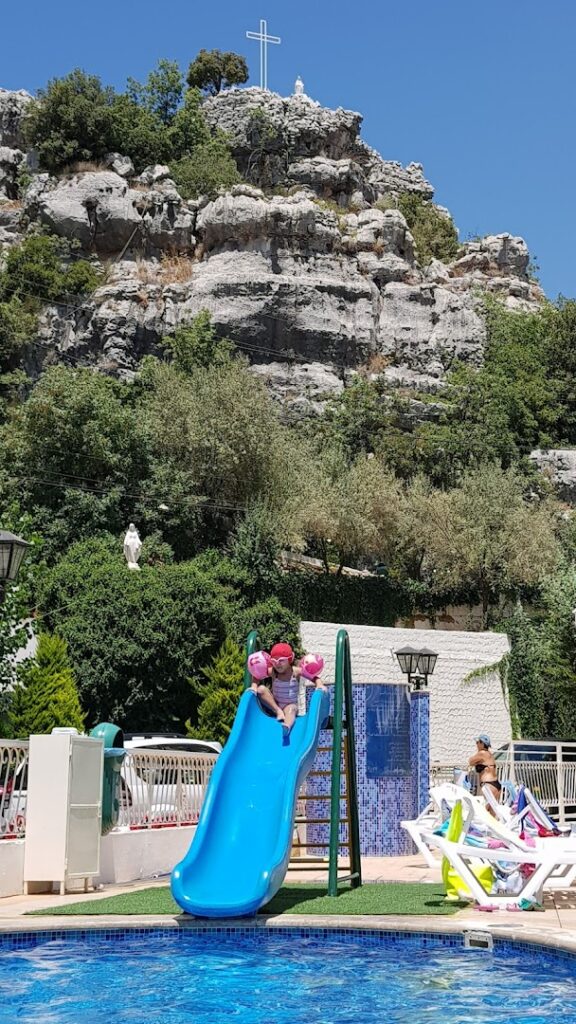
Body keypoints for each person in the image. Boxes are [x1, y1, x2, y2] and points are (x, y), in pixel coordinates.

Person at [251, 642, 326, 730]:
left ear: (290, 659)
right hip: (276, 705)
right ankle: (279, 711)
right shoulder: (273, 672)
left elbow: (314, 677)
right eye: (274, 661)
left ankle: (287, 726)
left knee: (291, 710)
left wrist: (319, 684)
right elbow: (257, 675)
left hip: (290, 705)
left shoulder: (296, 672)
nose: (277, 664)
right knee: (261, 689)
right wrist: (254, 686)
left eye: (281, 660)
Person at [468, 733, 501, 811]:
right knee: (493, 815)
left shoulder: (482, 753)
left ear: (482, 743)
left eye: (477, 742)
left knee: (483, 812)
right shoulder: (489, 754)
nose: (476, 744)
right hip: (496, 785)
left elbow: (470, 761)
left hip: (488, 786)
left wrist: (476, 762)